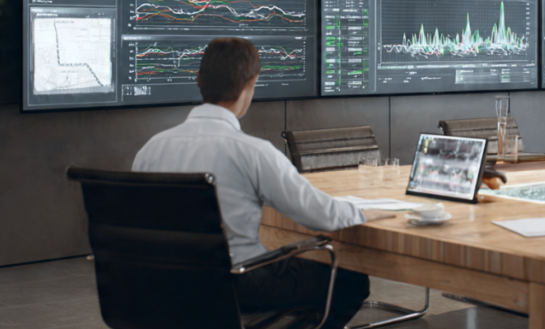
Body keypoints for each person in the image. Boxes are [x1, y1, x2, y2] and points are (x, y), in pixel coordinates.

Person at [133, 37, 390, 329]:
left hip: (165, 282)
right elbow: (319, 214)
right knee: (350, 279)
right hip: (239, 282)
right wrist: (365, 212)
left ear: (199, 80)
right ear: (249, 86)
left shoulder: (150, 150)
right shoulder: (252, 152)